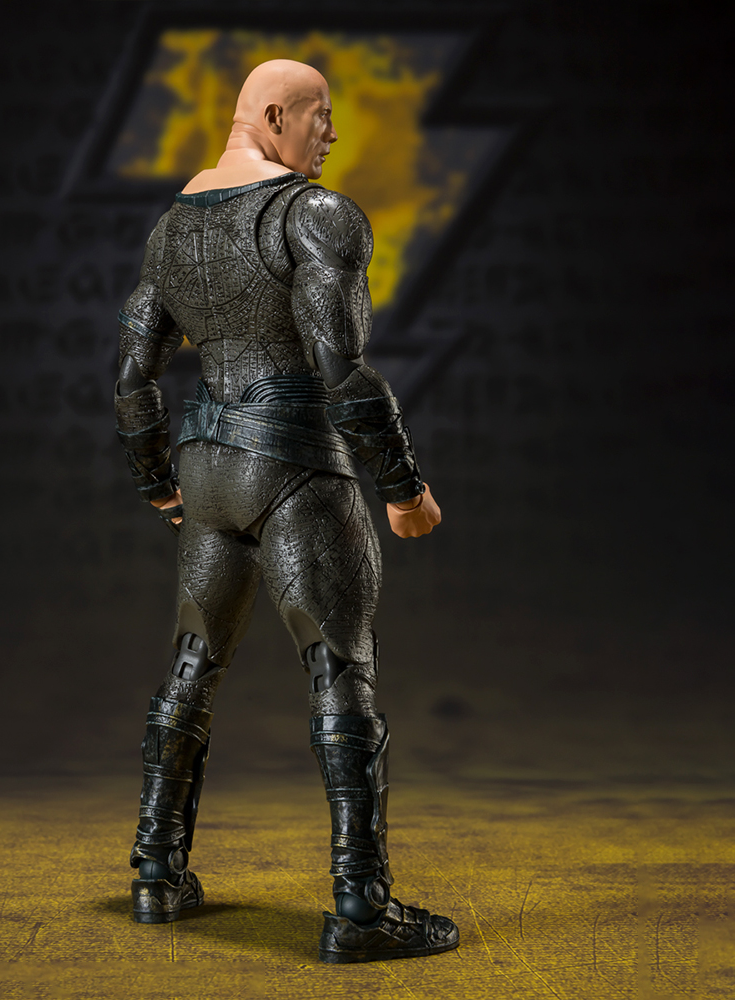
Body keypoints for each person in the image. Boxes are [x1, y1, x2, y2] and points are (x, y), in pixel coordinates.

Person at [114, 58, 458, 964]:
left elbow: (132, 381)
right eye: (320, 116)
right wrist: (404, 487)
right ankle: (360, 907)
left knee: (193, 665)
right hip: (298, 466)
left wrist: (159, 483)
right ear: (274, 117)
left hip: (208, 472)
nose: (331, 134)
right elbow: (341, 369)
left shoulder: (172, 229)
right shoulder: (314, 215)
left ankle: (156, 872)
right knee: (340, 673)